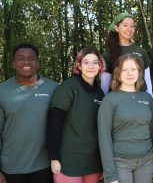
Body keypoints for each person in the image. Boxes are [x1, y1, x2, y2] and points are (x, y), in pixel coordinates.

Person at [0, 43, 57, 183]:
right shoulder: (2, 91)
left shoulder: (53, 88)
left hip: (44, 166)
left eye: (31, 58)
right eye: (20, 58)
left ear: (37, 63)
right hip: (11, 167)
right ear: (13, 63)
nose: (26, 61)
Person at [47, 48, 105, 183]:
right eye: (86, 62)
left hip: (93, 162)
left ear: (100, 66)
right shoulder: (68, 88)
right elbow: (54, 124)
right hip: (69, 162)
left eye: (95, 62)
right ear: (78, 65)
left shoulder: (100, 92)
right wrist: (54, 158)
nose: (91, 66)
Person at [98, 54, 153, 183]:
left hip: (146, 161)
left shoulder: (147, 98)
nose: (129, 73)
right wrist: (110, 174)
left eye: (134, 69)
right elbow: (104, 138)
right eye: (125, 70)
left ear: (139, 72)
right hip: (120, 162)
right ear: (118, 73)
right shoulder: (110, 99)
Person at [101, 12, 153, 97]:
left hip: (141, 99)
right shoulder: (108, 54)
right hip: (118, 102)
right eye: (125, 25)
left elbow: (148, 81)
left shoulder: (141, 52)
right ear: (117, 28)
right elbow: (105, 86)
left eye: (132, 26)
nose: (129, 29)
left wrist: (151, 101)